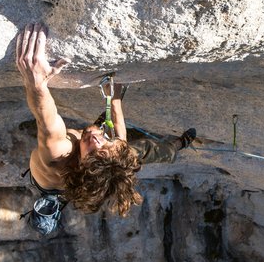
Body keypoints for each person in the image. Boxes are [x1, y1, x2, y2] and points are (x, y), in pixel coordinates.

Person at [15, 22, 196, 224]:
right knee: (140, 152)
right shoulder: (111, 152)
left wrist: (37, 82)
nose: (96, 140)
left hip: (52, 183)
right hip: (96, 167)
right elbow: (120, 137)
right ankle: (177, 147)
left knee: (107, 142)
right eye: (105, 145)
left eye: (93, 152)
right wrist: (115, 96)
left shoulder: (58, 154)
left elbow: (45, 119)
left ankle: (176, 147)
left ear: (82, 165)